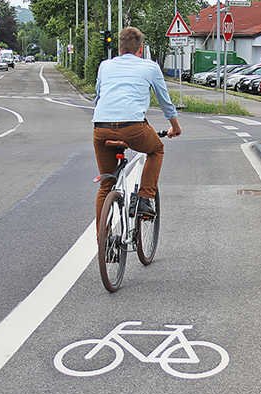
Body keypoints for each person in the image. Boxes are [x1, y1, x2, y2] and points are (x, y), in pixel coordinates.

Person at [93, 26, 182, 236]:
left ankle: (102, 240)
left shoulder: (105, 66)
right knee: (156, 150)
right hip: (133, 128)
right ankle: (145, 198)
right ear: (140, 50)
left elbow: (98, 97)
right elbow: (165, 102)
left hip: (101, 128)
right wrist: (175, 127)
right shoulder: (150, 67)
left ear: (119, 48)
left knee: (106, 184)